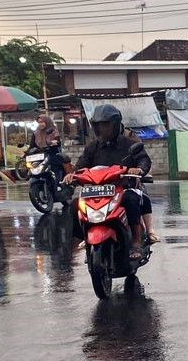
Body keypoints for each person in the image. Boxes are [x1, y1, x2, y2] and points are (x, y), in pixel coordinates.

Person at [64, 104, 153, 259]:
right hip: (97, 190)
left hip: (123, 188)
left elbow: (143, 160)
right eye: (99, 125)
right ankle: (83, 238)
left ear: (115, 124)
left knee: (131, 200)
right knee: (74, 205)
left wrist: (138, 170)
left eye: (106, 125)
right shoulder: (92, 147)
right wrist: (73, 176)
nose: (102, 129)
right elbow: (81, 166)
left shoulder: (129, 144)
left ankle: (136, 242)